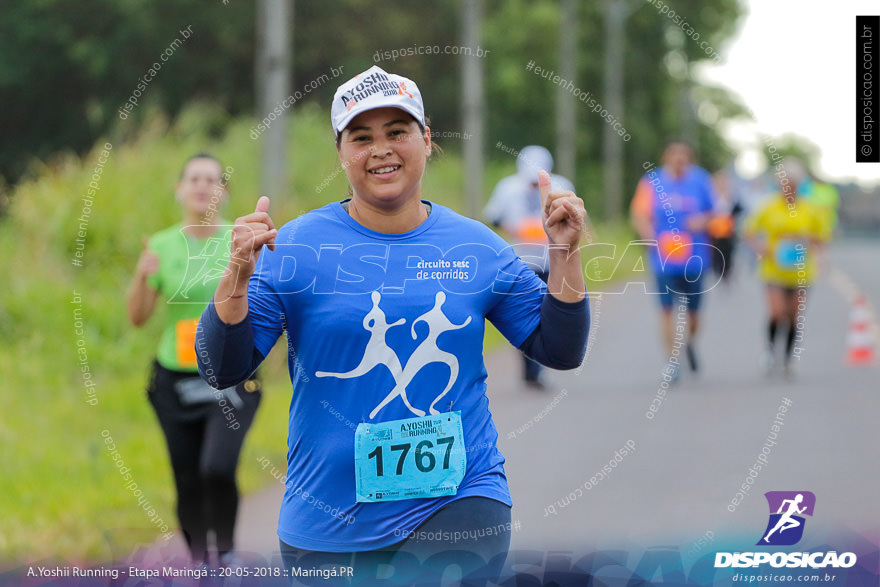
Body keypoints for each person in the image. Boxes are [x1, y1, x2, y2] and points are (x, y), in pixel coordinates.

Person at [195, 65, 590, 584]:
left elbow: (560, 348)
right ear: (342, 153)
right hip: (325, 522)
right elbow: (221, 368)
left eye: (397, 132)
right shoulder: (296, 246)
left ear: (426, 141)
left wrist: (563, 255)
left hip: (461, 500)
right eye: (362, 137)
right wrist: (236, 281)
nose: (380, 149)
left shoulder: (475, 247)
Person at [127, 154, 262, 567]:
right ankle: (201, 564)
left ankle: (226, 555)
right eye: (194, 179)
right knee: (187, 481)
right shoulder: (162, 244)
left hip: (230, 377)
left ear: (223, 191)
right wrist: (140, 275)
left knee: (216, 469)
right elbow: (138, 317)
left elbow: (260, 305)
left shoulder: (237, 240)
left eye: (212, 179)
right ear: (180, 189)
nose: (203, 186)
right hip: (174, 379)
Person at [484, 145, 580, 389]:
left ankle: (536, 370)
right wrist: (512, 226)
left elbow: (576, 219)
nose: (534, 187)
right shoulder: (507, 187)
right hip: (519, 261)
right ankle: (530, 369)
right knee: (523, 319)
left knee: (547, 315)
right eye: (530, 182)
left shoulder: (561, 185)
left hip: (550, 261)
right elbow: (493, 216)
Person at [630, 139, 718, 382]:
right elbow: (638, 213)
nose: (679, 159)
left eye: (684, 155)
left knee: (694, 315)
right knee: (666, 311)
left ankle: (688, 343)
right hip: (664, 260)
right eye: (674, 154)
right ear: (665, 157)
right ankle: (672, 361)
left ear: (689, 158)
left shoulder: (701, 180)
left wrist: (702, 221)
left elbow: (715, 213)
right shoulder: (652, 181)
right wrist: (648, 234)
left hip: (695, 259)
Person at [743, 160, 830, 377]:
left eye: (792, 183)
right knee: (776, 312)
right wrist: (761, 248)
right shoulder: (769, 206)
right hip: (774, 269)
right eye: (784, 183)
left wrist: (807, 239)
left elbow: (822, 238)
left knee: (793, 315)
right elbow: (749, 231)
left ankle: (788, 358)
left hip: (801, 270)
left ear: (799, 184)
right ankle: (771, 352)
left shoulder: (811, 208)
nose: (788, 188)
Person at [707, 169, 743, 285]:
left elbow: (738, 209)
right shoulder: (711, 195)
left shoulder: (731, 195)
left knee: (727, 253)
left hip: (728, 230)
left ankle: (726, 273)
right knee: (715, 252)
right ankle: (717, 272)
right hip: (714, 229)